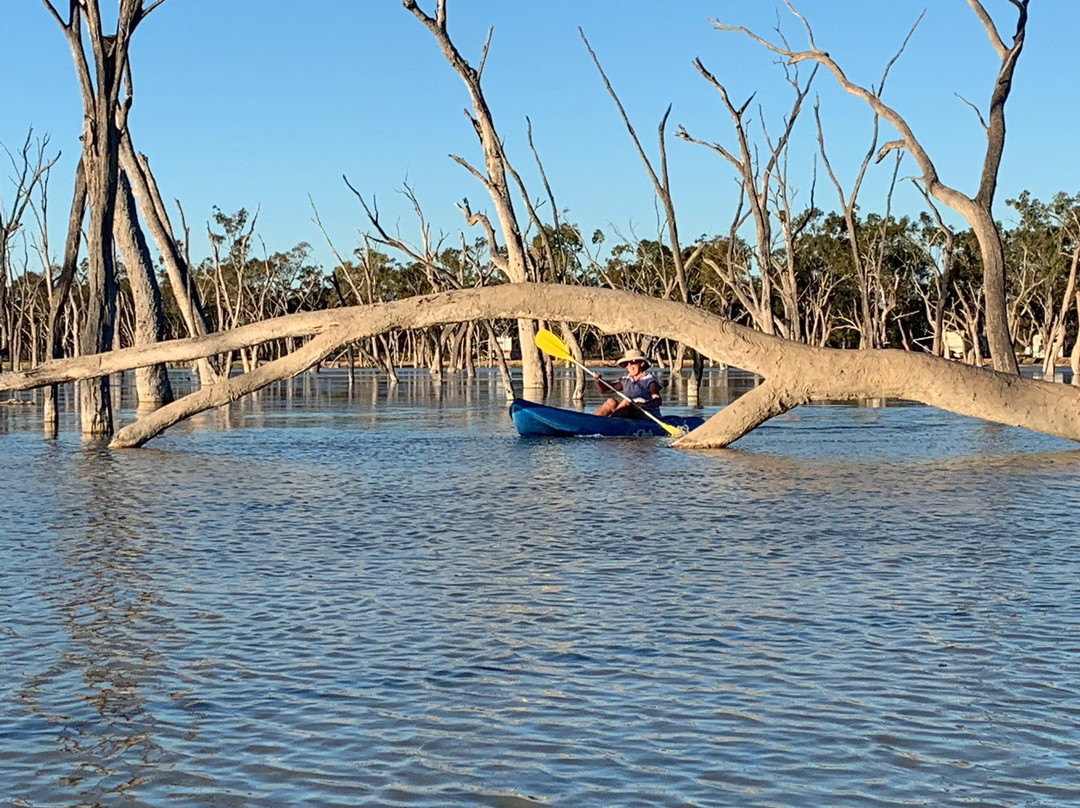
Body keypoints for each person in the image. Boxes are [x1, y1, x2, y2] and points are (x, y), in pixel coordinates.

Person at [592, 348, 662, 418]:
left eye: (632, 362)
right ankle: (592, 421)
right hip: (631, 413)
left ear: (642, 363)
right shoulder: (626, 380)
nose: (629, 366)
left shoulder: (650, 380)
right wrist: (598, 381)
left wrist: (643, 405)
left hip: (647, 415)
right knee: (611, 402)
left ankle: (612, 422)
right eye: (626, 363)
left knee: (626, 401)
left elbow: (657, 400)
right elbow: (605, 390)